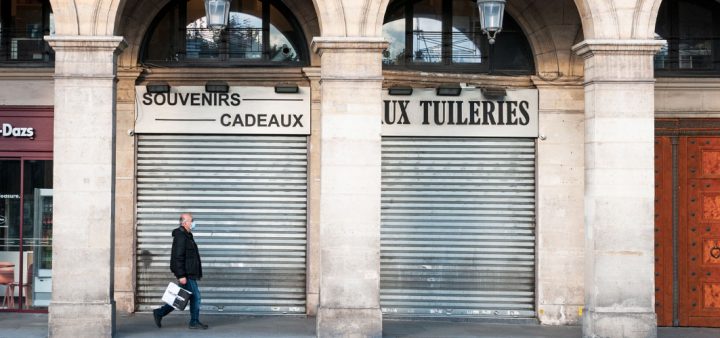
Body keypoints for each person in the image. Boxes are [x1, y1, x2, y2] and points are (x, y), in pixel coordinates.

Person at [153, 213, 208, 330]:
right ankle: (194, 322)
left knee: (180, 298)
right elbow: (177, 257)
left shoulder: (188, 235)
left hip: (189, 272)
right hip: (186, 274)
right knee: (195, 297)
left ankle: (159, 313)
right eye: (191, 220)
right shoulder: (181, 236)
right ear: (184, 223)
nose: (193, 222)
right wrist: (181, 275)